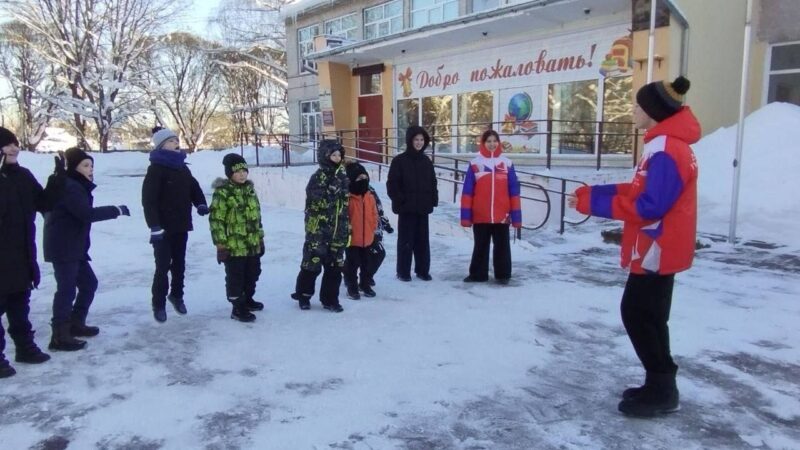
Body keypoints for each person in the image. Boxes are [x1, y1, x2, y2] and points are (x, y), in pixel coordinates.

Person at [569, 76, 699, 418]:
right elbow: (635, 189)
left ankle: (662, 387)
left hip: (658, 244)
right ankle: (659, 384)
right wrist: (590, 195)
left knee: (639, 315)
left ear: (654, 111)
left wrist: (592, 205)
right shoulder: (662, 145)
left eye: (638, 105)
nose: (633, 110)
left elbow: (648, 205)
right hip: (657, 243)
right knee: (650, 317)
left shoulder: (669, 149)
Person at [43, 148, 129, 351]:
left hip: (73, 246)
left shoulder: (73, 184)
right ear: (74, 167)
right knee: (66, 289)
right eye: (85, 165)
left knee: (89, 283)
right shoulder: (71, 186)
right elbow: (85, 214)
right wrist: (115, 210)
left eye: (91, 165)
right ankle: (59, 335)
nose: (90, 170)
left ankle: (75, 323)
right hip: (65, 248)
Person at [0, 127, 56, 377]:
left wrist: (59, 178)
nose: (14, 148)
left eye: (15, 144)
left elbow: (44, 202)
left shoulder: (23, 175)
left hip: (22, 253)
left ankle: (24, 348)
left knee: (20, 306)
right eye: (7, 145)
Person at [142, 127, 209, 323]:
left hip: (181, 224)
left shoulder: (182, 166)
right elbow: (149, 200)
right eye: (171, 141)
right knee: (162, 266)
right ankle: (158, 304)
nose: (176, 143)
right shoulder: (156, 168)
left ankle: (177, 296)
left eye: (176, 140)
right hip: (162, 228)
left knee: (179, 264)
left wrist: (201, 203)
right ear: (162, 145)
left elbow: (193, 187)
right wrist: (154, 226)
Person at [290, 140, 349, 313]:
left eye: (339, 155)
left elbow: (345, 203)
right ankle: (303, 295)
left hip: (338, 229)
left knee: (335, 267)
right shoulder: (318, 177)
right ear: (325, 156)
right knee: (312, 264)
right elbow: (315, 202)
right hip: (318, 230)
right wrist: (332, 188)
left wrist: (347, 225)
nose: (337, 158)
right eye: (333, 155)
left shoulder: (343, 176)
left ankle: (330, 299)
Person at [460, 129, 521, 284]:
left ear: (498, 143)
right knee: (480, 245)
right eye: (489, 141)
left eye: (495, 141)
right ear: (483, 143)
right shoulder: (475, 163)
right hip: (481, 213)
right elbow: (468, 192)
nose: (492, 144)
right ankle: (478, 274)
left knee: (502, 246)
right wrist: (466, 216)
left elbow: (514, 191)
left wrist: (516, 216)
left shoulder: (507, 163)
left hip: (502, 214)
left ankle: (503, 275)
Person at [209, 154, 265, 323]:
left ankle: (247, 299)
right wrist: (221, 245)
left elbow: (257, 217)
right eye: (237, 172)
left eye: (244, 171)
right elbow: (216, 221)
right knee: (236, 277)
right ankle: (237, 307)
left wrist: (260, 238)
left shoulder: (250, 190)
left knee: (253, 273)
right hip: (234, 247)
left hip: (252, 244)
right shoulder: (223, 193)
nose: (242, 175)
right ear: (229, 174)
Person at [386, 125, 438, 282]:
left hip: (422, 208)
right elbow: (392, 184)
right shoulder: (399, 161)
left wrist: (432, 199)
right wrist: (400, 200)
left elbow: (432, 182)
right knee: (406, 241)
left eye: (422, 140)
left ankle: (422, 270)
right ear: (410, 140)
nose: (419, 142)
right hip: (406, 209)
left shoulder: (426, 161)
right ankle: (403, 272)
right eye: (416, 139)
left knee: (422, 241)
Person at [342, 161, 392, 300]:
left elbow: (375, 213)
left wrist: (375, 228)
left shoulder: (369, 196)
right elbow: (343, 217)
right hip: (352, 239)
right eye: (359, 179)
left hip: (368, 237)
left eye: (365, 178)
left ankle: (365, 284)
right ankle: (352, 287)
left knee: (367, 263)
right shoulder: (348, 197)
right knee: (353, 264)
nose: (363, 181)